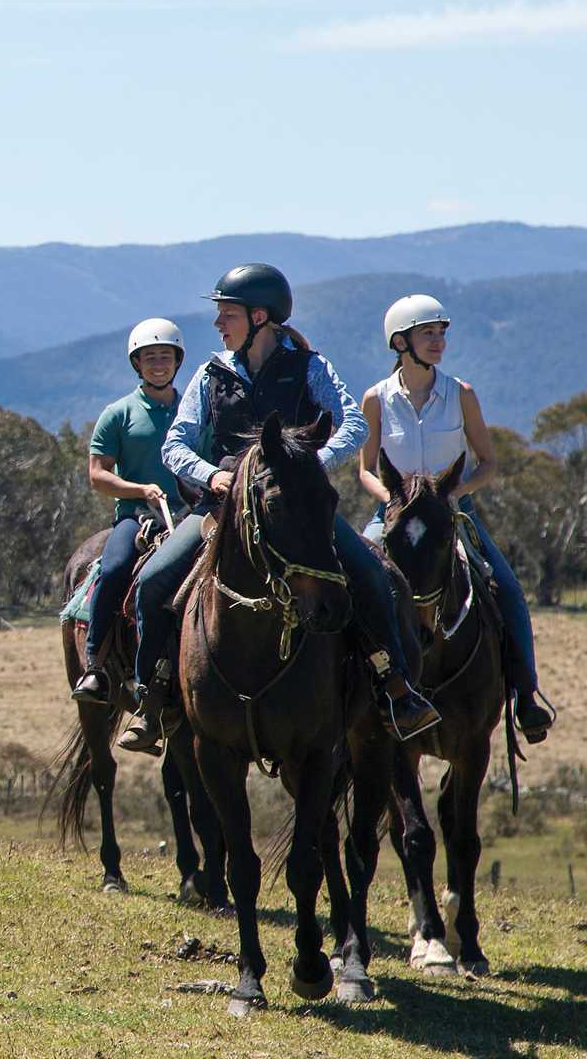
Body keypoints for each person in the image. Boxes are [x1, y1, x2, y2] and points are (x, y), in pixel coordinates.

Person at [117, 263, 440, 754]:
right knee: (153, 579)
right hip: (222, 506)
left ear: (259, 317)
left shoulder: (310, 367)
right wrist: (213, 476)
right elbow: (175, 445)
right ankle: (152, 697)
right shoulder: (210, 375)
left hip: (299, 509)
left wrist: (309, 467)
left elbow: (352, 423)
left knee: (377, 578)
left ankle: (396, 686)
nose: (219, 324)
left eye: (227, 314)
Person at [358, 294, 555, 743]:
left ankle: (526, 696)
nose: (438, 341)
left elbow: (488, 462)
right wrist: (391, 499)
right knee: (353, 585)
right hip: (393, 514)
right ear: (400, 342)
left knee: (507, 588)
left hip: (452, 514)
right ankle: (345, 698)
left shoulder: (461, 394)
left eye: (441, 333)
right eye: (427, 333)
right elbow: (365, 468)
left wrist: (457, 493)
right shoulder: (377, 399)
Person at [70, 318, 188, 705]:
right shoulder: (118, 414)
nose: (158, 364)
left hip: (191, 515)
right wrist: (140, 490)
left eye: (165, 356)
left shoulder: (192, 410)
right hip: (135, 516)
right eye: (149, 357)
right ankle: (95, 666)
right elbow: (98, 476)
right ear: (137, 364)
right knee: (117, 566)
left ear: (177, 361)